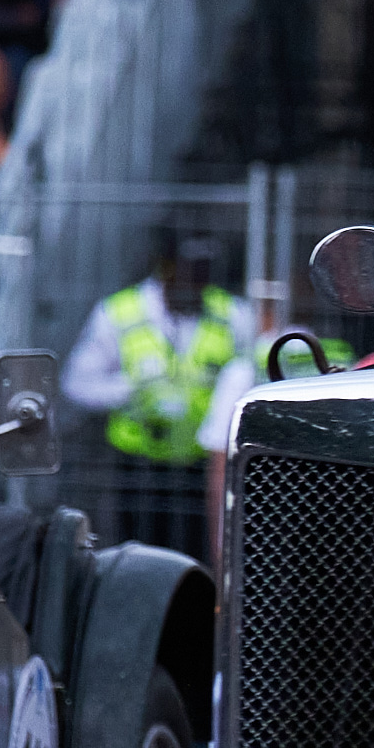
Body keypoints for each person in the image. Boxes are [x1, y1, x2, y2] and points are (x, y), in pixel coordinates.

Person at [64, 227, 239, 551]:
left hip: (199, 466)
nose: (197, 282)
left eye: (204, 273)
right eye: (188, 270)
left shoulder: (231, 314)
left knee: (196, 557)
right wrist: (131, 390)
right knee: (141, 555)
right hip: (138, 467)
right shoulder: (119, 312)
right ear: (166, 267)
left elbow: (247, 370)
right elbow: (77, 383)